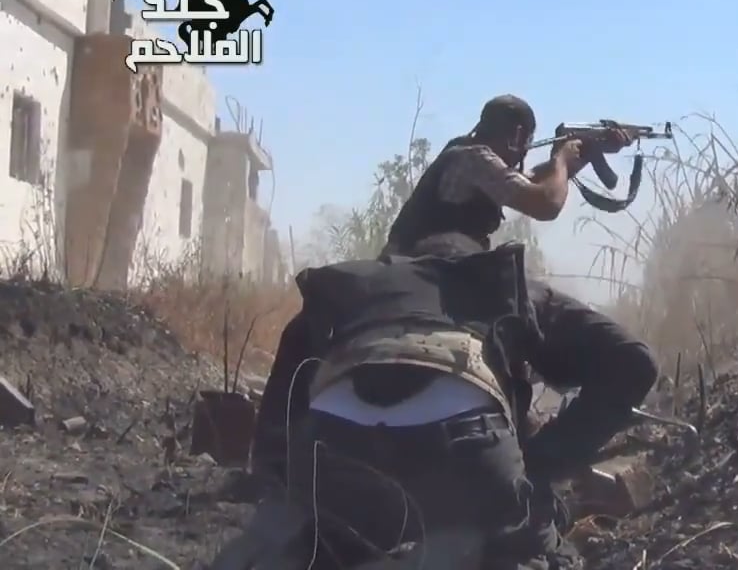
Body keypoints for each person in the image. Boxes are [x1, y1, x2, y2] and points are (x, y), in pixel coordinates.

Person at [233, 95, 657, 569]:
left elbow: (527, 185)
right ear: (517, 136)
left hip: (331, 459)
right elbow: (544, 201)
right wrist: (561, 160)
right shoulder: (475, 180)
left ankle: (275, 486)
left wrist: (277, 476)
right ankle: (530, 486)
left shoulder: (352, 287)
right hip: (469, 451)